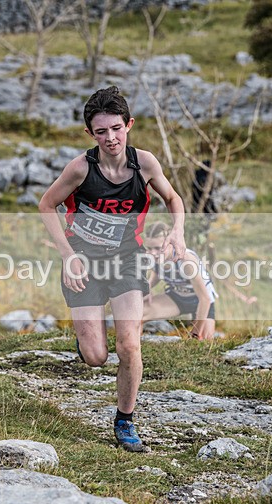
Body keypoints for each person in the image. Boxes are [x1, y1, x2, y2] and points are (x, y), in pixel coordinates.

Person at [38, 86, 186, 452]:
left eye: (117, 128)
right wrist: (67, 254)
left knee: (130, 344)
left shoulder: (145, 163)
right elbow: (46, 205)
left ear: (129, 125)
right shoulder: (80, 168)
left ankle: (125, 421)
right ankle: (87, 339)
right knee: (95, 357)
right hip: (83, 264)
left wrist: (177, 232)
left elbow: (173, 198)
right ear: (90, 133)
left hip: (126, 261)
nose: (111, 138)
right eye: (101, 131)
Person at [142, 222, 218, 340]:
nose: (153, 253)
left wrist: (196, 330)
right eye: (149, 248)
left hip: (201, 301)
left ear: (171, 243)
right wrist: (146, 289)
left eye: (158, 248)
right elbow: (157, 273)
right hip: (177, 297)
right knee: (137, 313)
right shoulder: (152, 257)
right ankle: (134, 348)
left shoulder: (185, 261)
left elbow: (205, 298)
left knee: (204, 341)